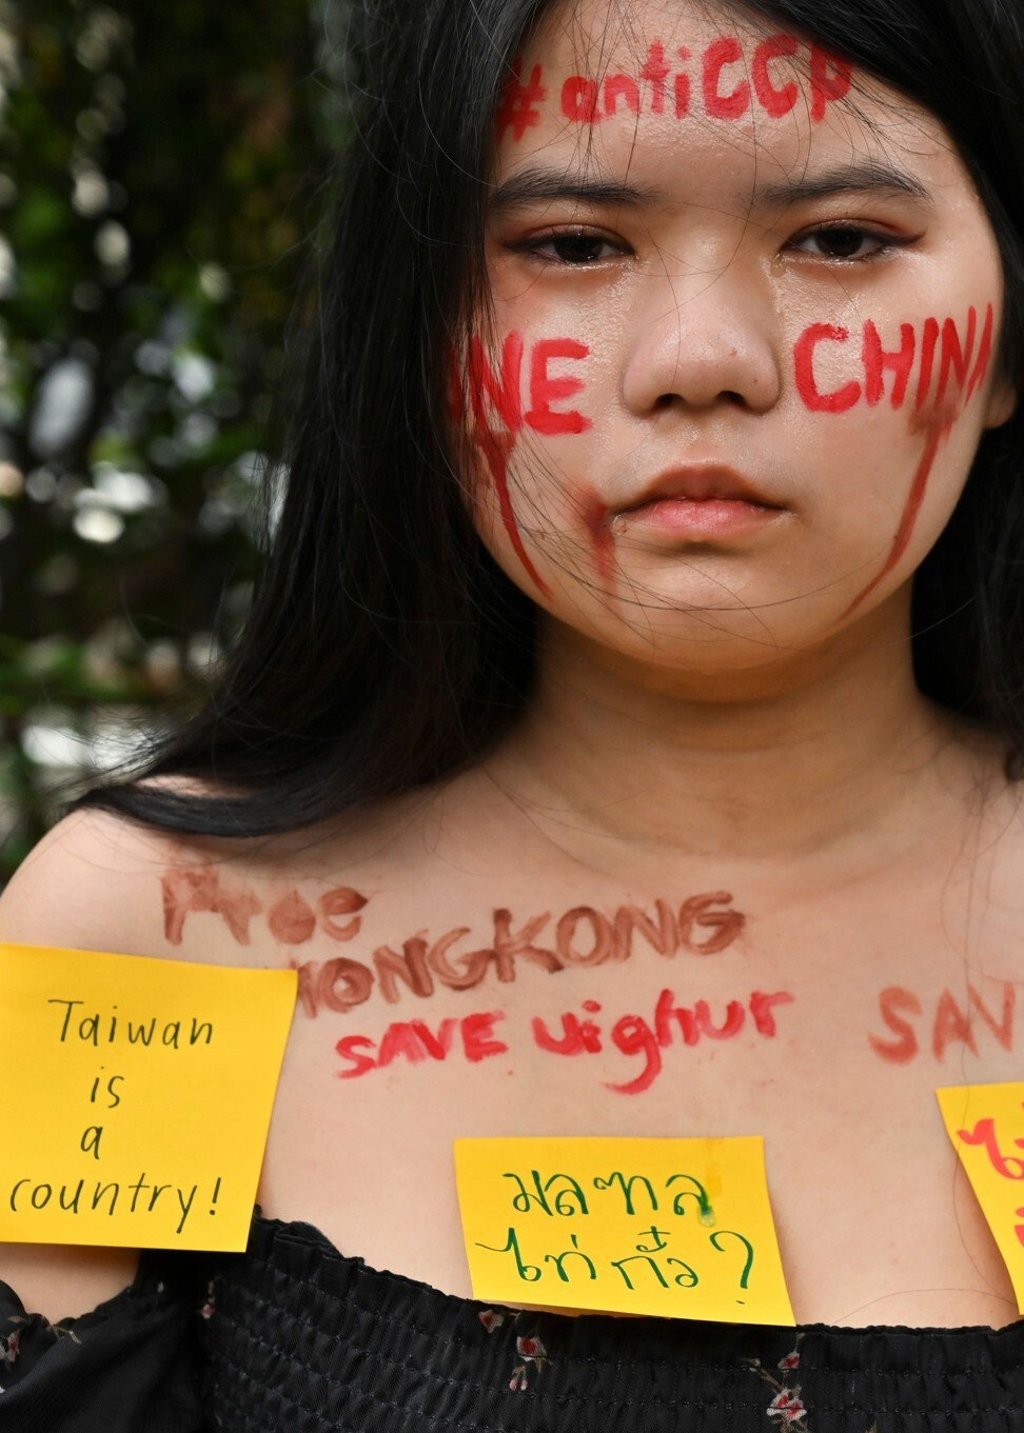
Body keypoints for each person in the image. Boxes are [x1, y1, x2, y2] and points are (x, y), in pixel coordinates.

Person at [1, 0, 1023, 1426]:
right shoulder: (146, 948)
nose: (702, 356)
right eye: (573, 245)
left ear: (1011, 335)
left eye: (841, 238)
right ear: (418, 331)